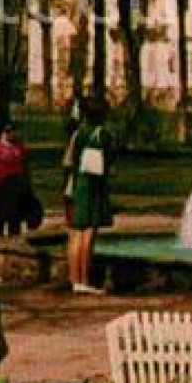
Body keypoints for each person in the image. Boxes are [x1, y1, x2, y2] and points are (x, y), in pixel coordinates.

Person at [66, 97, 114, 295]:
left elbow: (69, 160)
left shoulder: (78, 133)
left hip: (78, 184)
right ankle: (85, 280)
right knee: (88, 233)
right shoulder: (102, 134)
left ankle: (74, 279)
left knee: (75, 233)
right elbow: (109, 162)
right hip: (93, 187)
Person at [0, 121, 38, 239]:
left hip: (17, 184)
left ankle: (14, 238)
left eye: (12, 131)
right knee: (0, 214)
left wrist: (27, 182)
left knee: (15, 215)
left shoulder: (19, 147)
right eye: (7, 131)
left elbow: (25, 165)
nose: (10, 134)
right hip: (2, 184)